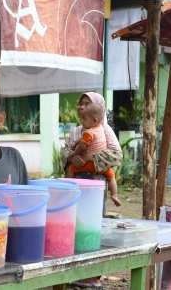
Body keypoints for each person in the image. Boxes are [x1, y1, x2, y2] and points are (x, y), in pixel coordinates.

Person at [65, 92, 122, 290]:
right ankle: (75, 272)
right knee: (75, 224)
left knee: (92, 227)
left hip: (96, 186)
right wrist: (72, 158)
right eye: (80, 103)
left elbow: (116, 155)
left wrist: (90, 157)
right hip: (77, 184)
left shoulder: (105, 130)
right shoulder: (77, 131)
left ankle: (93, 275)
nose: (81, 107)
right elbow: (66, 151)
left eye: (87, 104)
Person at [66, 103, 121, 207]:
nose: (82, 121)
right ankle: (114, 195)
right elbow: (83, 138)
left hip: (87, 165)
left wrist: (75, 153)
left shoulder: (90, 132)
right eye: (81, 104)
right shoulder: (100, 128)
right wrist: (75, 142)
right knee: (111, 176)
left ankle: (66, 189)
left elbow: (83, 146)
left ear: (94, 120)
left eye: (84, 119)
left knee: (71, 170)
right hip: (101, 167)